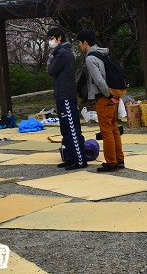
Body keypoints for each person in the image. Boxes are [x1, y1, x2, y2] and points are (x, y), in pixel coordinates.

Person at [77, 29, 126, 172]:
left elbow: (98, 80)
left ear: (85, 42)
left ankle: (111, 163)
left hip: (104, 97)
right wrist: (114, 95)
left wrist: (108, 95)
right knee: (114, 128)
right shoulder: (103, 53)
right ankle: (119, 159)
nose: (79, 46)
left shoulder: (90, 58)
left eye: (80, 43)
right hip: (114, 93)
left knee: (106, 131)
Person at [47, 26, 87, 170]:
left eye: (52, 38)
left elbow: (51, 71)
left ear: (59, 38)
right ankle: (70, 157)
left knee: (71, 128)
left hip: (66, 94)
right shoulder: (60, 52)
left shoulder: (63, 53)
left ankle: (79, 159)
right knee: (65, 129)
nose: (50, 41)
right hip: (62, 93)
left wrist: (51, 59)